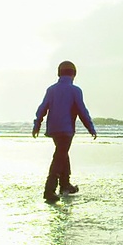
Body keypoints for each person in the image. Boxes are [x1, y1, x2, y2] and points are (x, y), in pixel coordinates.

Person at [33, 61, 97, 203]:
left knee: (62, 154)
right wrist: (90, 128)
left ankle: (65, 185)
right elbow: (82, 111)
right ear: (74, 74)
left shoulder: (51, 89)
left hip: (54, 129)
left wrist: (37, 124)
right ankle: (49, 190)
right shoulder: (75, 90)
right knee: (60, 156)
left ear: (59, 73)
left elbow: (42, 108)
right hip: (66, 130)